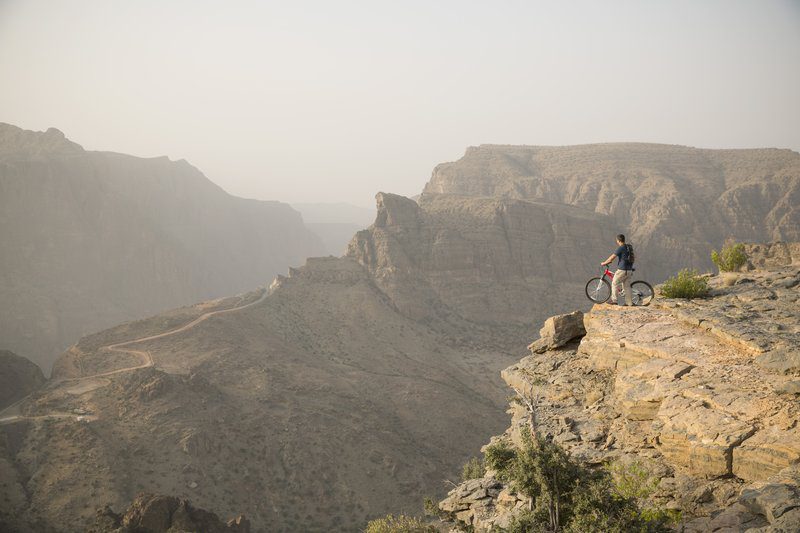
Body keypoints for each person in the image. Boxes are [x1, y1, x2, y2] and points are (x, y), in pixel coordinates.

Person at [601, 234, 633, 306]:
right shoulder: (628, 247)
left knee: (614, 283)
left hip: (622, 270)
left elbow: (611, 258)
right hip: (629, 270)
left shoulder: (621, 248)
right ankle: (629, 303)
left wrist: (604, 263)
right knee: (627, 287)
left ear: (618, 240)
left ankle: (614, 300)